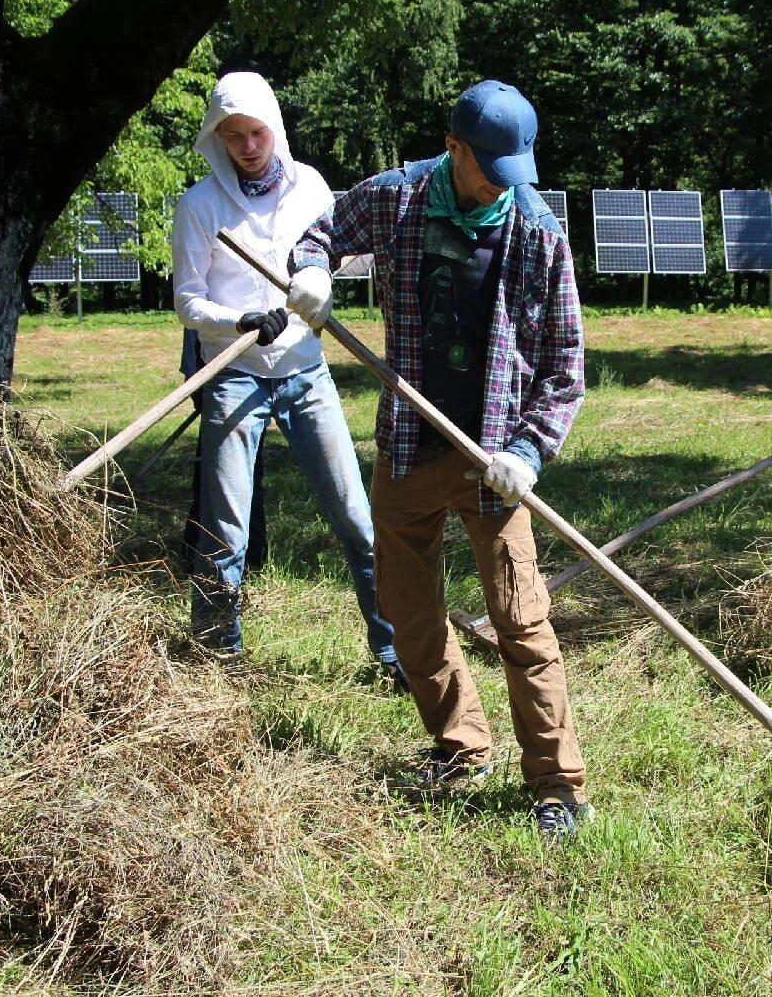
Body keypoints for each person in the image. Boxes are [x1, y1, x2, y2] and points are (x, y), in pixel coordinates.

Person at [287, 79, 592, 838]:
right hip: (407, 444)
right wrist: (314, 275)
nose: (501, 182)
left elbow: (565, 365)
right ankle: (461, 748)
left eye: (512, 166)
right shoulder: (396, 199)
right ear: (452, 147)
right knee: (408, 612)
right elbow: (321, 233)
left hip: (495, 459)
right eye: (487, 165)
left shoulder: (537, 231)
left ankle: (557, 787)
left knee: (521, 620)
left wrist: (528, 448)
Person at [172, 71, 401, 688]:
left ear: (274, 125)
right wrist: (239, 319)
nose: (247, 145)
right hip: (235, 374)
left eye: (256, 131)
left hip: (305, 370)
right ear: (216, 138)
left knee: (357, 519)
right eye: (233, 135)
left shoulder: (312, 189)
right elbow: (188, 302)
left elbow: (337, 249)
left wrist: (321, 280)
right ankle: (217, 658)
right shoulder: (200, 206)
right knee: (225, 528)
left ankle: (394, 651)